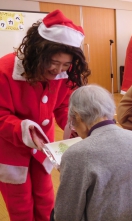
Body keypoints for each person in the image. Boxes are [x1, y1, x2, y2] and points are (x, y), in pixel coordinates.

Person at [0, 10, 90, 221]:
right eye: (53, 62)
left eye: (66, 65)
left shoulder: (63, 74)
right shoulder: (5, 70)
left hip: (44, 148)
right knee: (20, 203)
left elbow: (62, 106)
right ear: (38, 53)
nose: (58, 70)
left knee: (45, 198)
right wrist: (25, 130)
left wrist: (77, 125)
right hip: (10, 149)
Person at [52, 85, 132, 221]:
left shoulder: (77, 154)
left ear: (77, 116)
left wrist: (70, 171)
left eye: (72, 123)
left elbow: (65, 216)